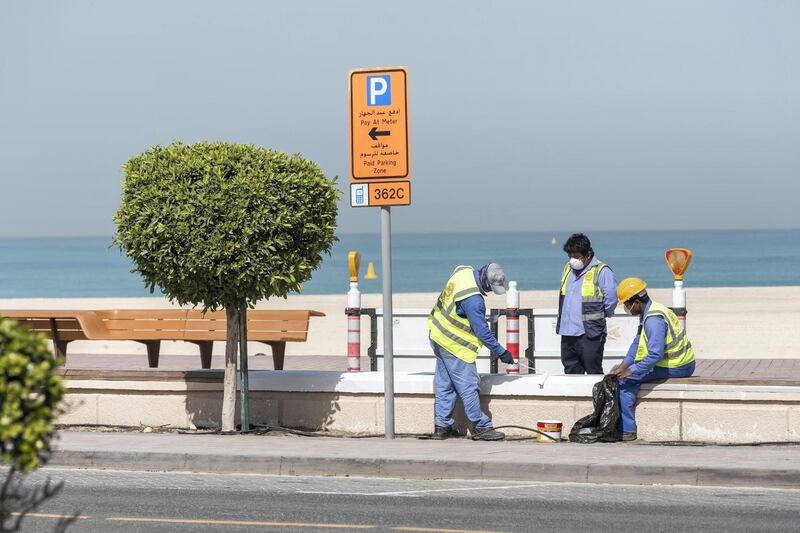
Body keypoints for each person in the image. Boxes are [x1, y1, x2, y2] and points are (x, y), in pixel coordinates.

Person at [427, 263, 514, 441]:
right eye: (490, 287)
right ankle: (480, 427)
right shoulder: (474, 300)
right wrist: (501, 352)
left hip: (437, 334)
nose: (490, 291)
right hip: (454, 344)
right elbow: (482, 332)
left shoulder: (463, 271)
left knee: (445, 384)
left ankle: (442, 426)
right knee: (469, 386)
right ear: (485, 280)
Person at [610, 277, 696, 441]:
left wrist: (631, 371)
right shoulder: (651, 311)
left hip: (678, 365)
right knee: (625, 374)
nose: (626, 308)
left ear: (636, 302)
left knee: (625, 383)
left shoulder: (653, 320)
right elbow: (637, 342)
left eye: (627, 304)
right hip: (679, 361)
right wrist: (624, 365)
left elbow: (655, 355)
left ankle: (627, 430)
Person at [556, 233, 618, 374]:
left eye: (576, 256)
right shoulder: (567, 269)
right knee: (571, 372)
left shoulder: (602, 271)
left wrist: (600, 317)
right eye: (570, 256)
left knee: (593, 371)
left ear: (588, 254)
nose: (573, 260)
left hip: (590, 334)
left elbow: (612, 300)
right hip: (568, 333)